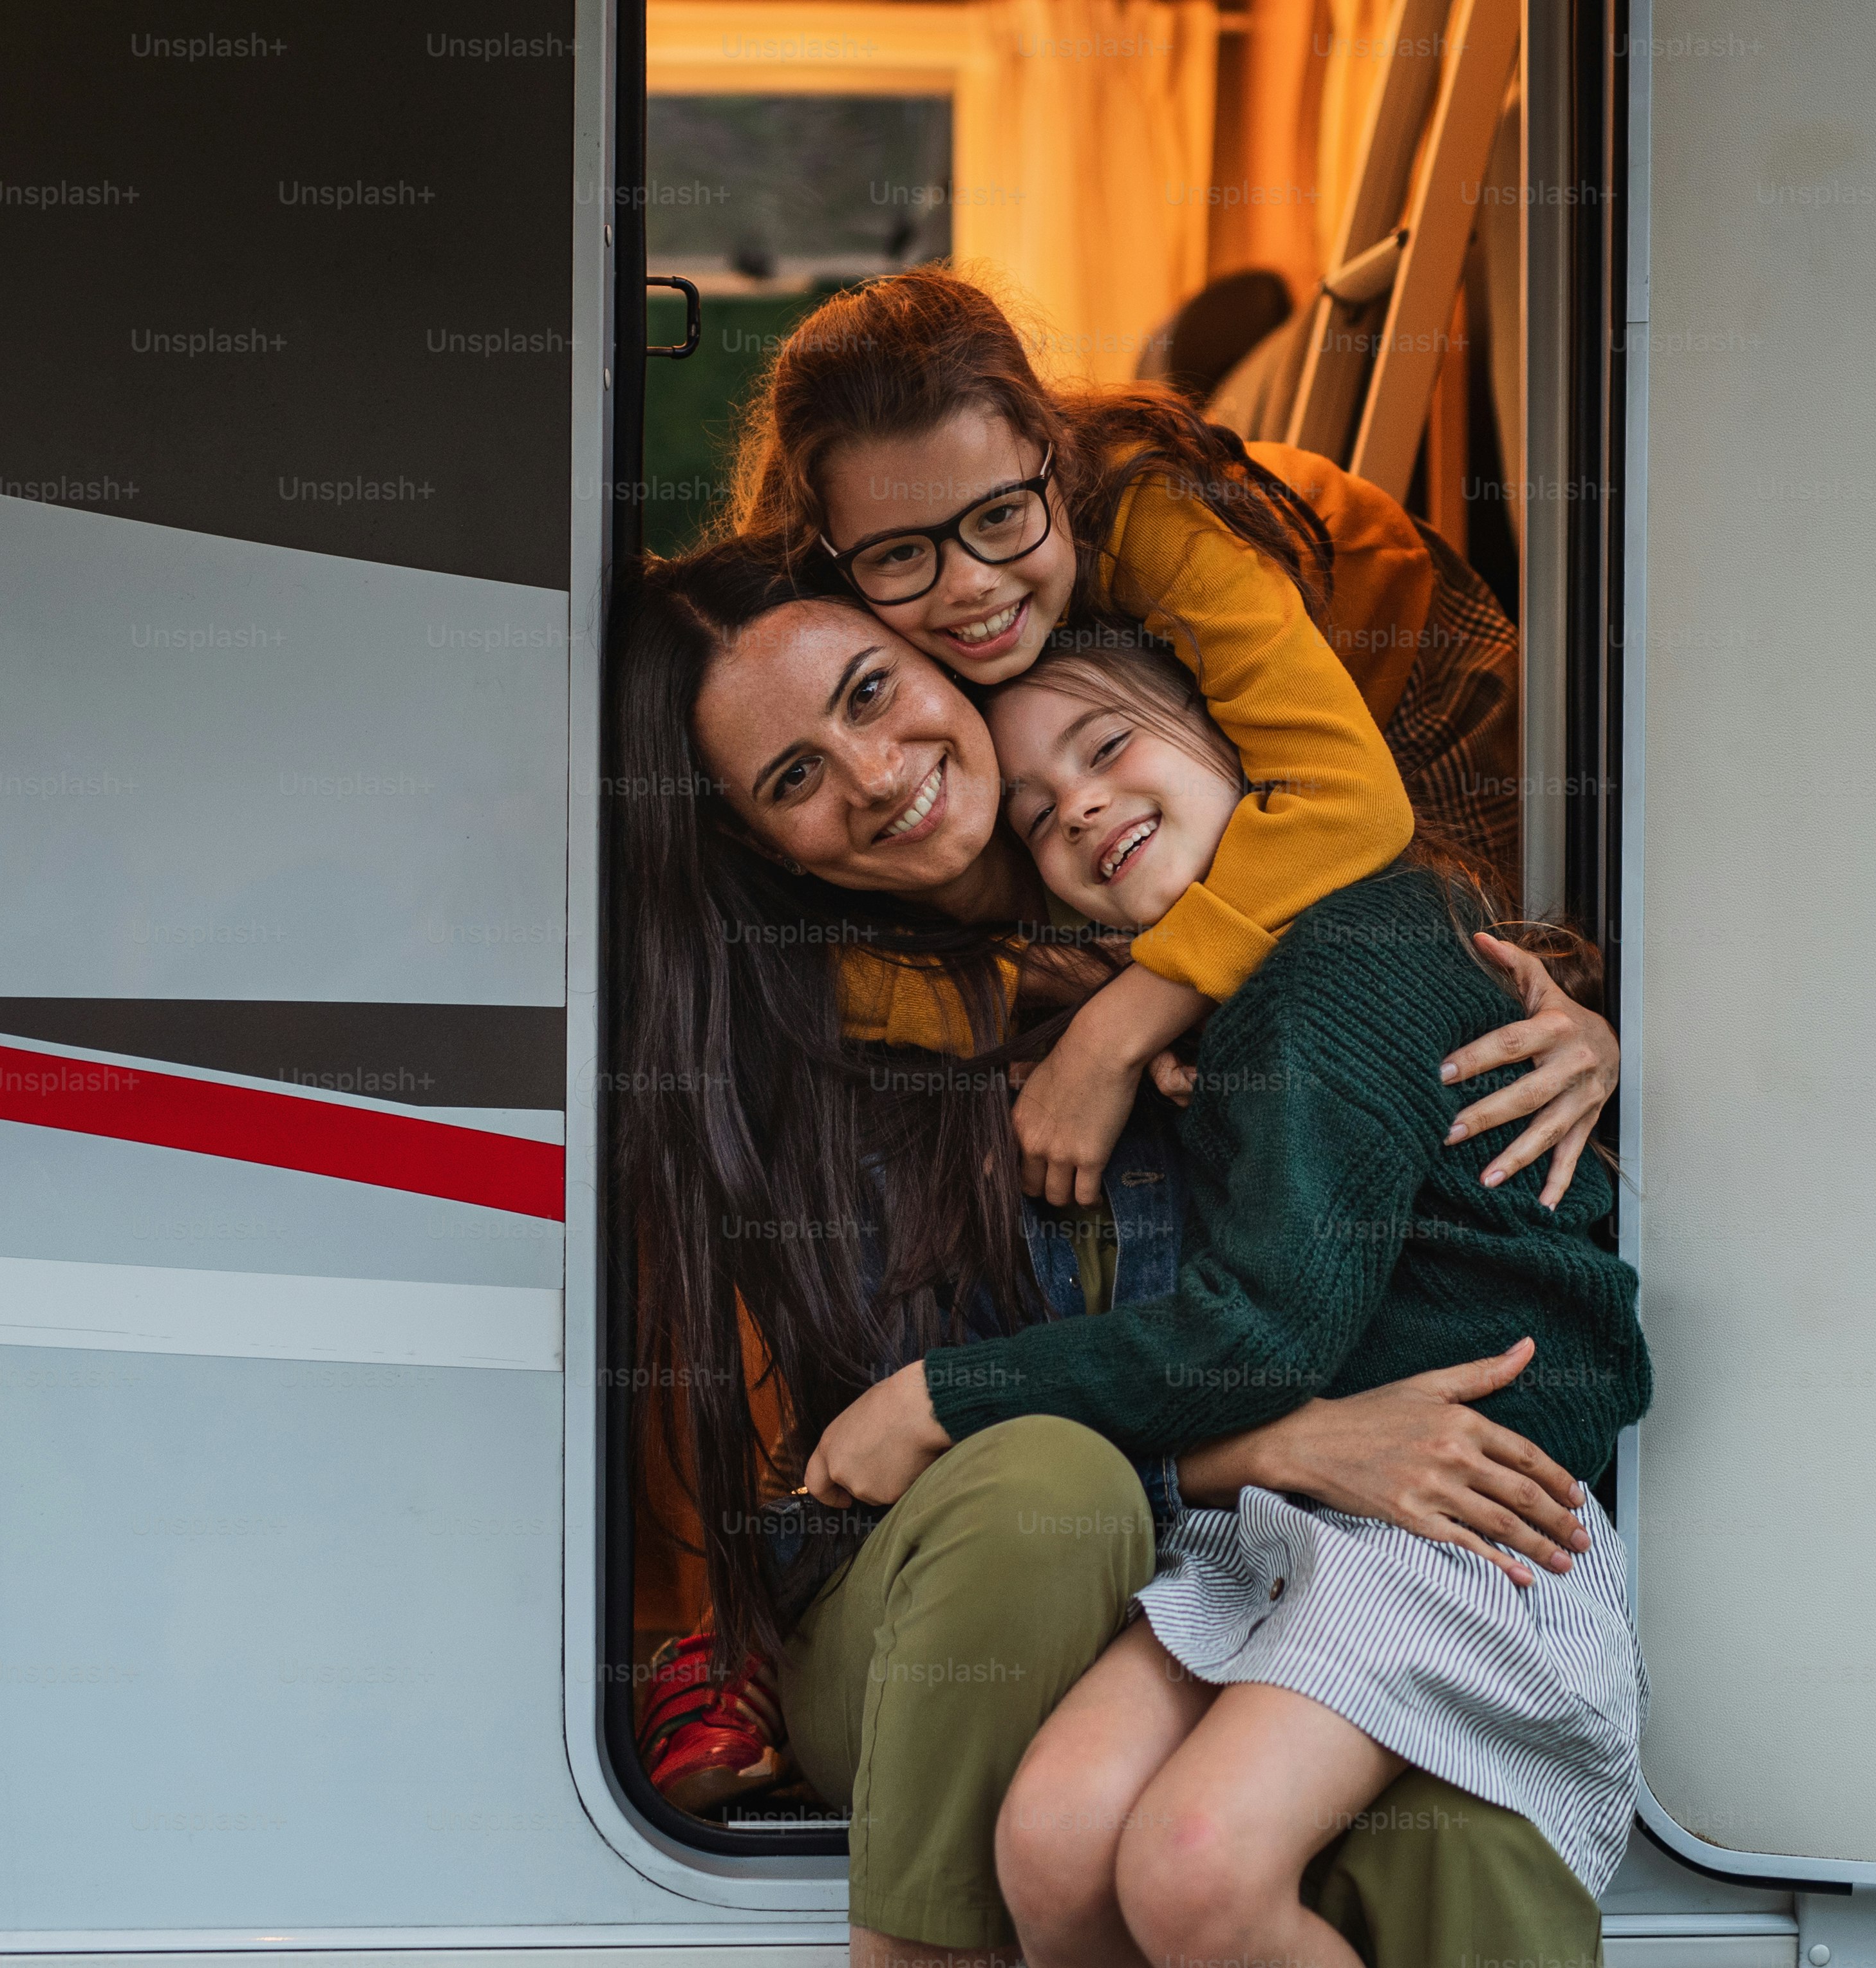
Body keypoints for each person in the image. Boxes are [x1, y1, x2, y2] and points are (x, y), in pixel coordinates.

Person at [614, 542, 1621, 1968]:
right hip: (965, 1586)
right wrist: (1282, 1445)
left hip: (1286, 1546)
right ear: (759, 842)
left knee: (1437, 1834)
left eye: (873, 691)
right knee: (1049, 1489)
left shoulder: (1199, 931)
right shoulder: (807, 1038)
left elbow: (1396, 1017)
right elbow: (921, 1456)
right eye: (793, 778)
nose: (877, 774)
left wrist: (1579, 1031)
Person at [724, 267, 1543, 1214]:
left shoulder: (1145, 514)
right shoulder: (816, 637)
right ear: (830, 553)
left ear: (1052, 456)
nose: (971, 585)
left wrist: (1111, 1032)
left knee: (1447, 976)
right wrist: (1033, 981)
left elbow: (1350, 802)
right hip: (1158, 767)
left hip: (1391, 665)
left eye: (1000, 516)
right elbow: (804, 973)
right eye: (901, 553)